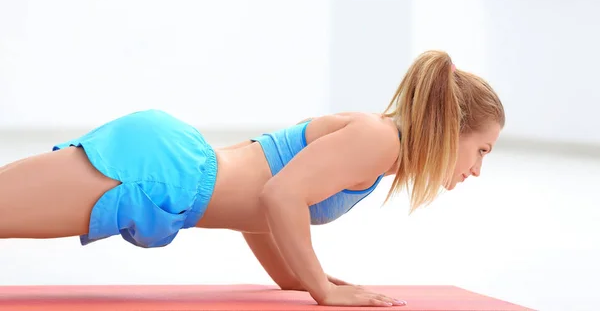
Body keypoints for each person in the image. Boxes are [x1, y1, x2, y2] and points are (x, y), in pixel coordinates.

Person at [0, 50, 504, 308]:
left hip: (173, 178)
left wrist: (295, 279)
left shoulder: (381, 152)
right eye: (480, 149)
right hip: (163, 173)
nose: (477, 168)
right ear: (449, 129)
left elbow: (267, 207)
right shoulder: (379, 140)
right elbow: (280, 195)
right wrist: (321, 292)